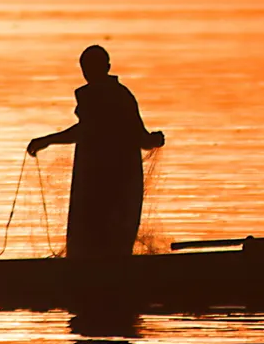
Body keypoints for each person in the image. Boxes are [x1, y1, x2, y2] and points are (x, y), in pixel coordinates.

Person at [27, 45, 165, 258]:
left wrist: (47, 140)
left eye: (91, 67)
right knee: (109, 236)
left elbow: (87, 130)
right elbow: (140, 138)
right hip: (115, 179)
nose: (88, 73)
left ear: (106, 67)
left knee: (99, 232)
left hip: (103, 180)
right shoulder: (120, 95)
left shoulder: (103, 96)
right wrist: (152, 140)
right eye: (86, 68)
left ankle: (99, 278)